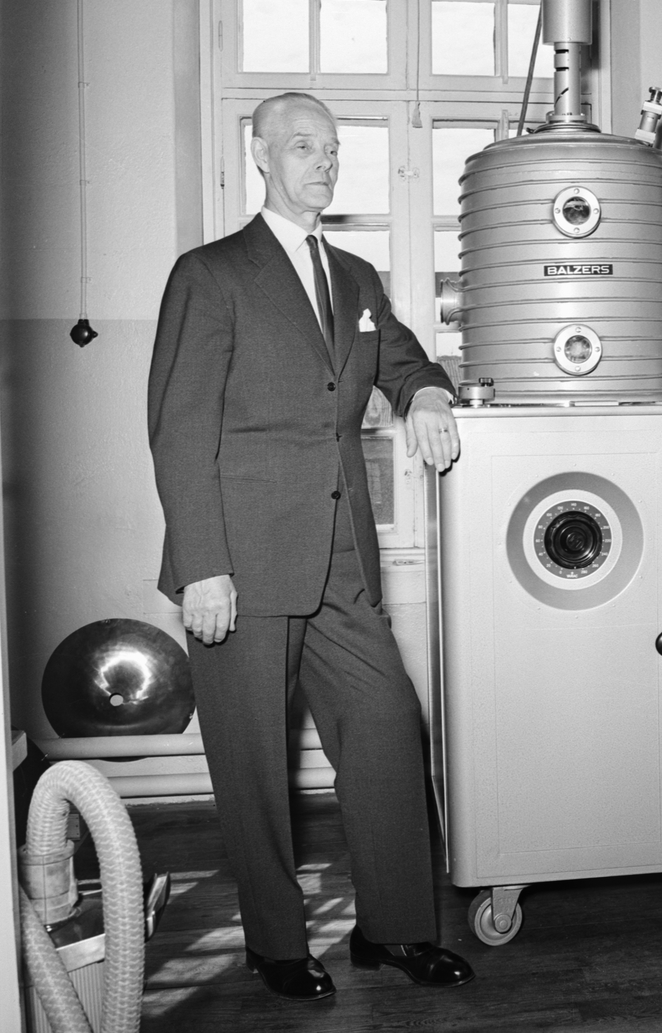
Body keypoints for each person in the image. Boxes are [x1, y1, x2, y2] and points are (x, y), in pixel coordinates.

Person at [148, 92, 473, 1002]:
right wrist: (203, 566)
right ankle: (275, 943)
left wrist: (427, 395)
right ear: (259, 155)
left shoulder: (357, 278)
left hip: (341, 560)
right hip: (239, 562)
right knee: (251, 762)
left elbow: (403, 360)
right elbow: (178, 429)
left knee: (386, 729)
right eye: (301, 146)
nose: (322, 161)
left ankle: (393, 930)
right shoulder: (211, 274)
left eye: (331, 148)